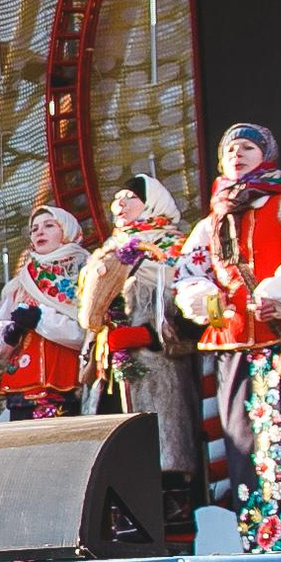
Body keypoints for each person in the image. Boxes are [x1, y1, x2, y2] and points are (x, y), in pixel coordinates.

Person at [175, 123, 281, 553]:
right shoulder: (210, 222)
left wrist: (275, 296)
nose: (238, 154)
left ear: (266, 155)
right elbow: (189, 275)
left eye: (248, 147)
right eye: (230, 149)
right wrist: (207, 300)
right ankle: (260, 550)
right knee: (245, 451)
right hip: (235, 349)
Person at [76, 174, 202, 540]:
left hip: (157, 371)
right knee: (114, 458)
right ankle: (120, 544)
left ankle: (174, 545)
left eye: (129, 198)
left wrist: (147, 335)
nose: (120, 205)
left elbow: (190, 315)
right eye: (116, 200)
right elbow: (88, 315)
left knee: (163, 455)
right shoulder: (107, 252)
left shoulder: (175, 247)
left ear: (152, 202)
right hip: (110, 374)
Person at [0, 205, 91, 421]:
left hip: (68, 385)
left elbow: (89, 334)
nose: (39, 232)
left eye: (49, 226)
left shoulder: (85, 274)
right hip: (22, 388)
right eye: (34, 229)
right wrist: (11, 331)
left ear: (66, 231)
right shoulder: (21, 282)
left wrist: (41, 318)